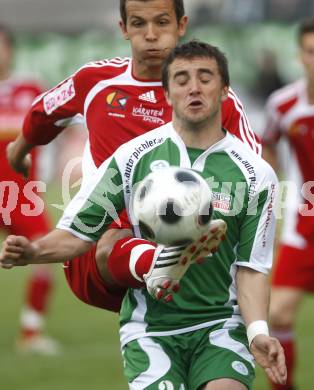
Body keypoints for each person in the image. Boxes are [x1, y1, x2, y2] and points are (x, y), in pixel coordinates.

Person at [0, 40, 286, 389]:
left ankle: (162, 260)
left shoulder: (255, 173)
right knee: (112, 240)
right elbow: (80, 232)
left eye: (205, 77)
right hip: (151, 329)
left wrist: (258, 332)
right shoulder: (132, 158)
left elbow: (251, 268)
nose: (193, 87)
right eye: (181, 79)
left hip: (221, 323)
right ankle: (155, 263)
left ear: (225, 90)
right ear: (166, 93)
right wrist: (33, 252)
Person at [6, 0, 261, 311]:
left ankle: (169, 267)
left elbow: (252, 170)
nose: (151, 35)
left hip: (182, 235)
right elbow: (42, 114)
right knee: (116, 236)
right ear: (124, 29)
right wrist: (18, 152)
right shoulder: (97, 82)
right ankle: (158, 262)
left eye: (162, 23)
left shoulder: (214, 97)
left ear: (181, 26)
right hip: (97, 243)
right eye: (139, 23)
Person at [0, 24, 60, 354]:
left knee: (44, 253)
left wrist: (44, 175)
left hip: (21, 196)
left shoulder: (30, 89)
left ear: (11, 49)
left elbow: (49, 133)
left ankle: (31, 332)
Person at [262, 18, 314, 390]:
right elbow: (267, 151)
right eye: (311, 52)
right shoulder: (283, 104)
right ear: (301, 56)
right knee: (277, 313)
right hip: (303, 228)